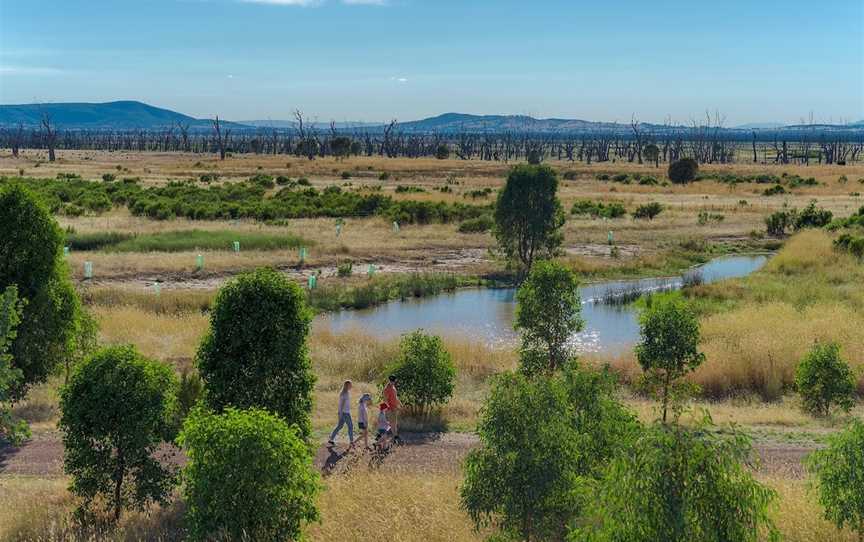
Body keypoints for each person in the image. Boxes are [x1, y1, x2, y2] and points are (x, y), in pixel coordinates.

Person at [327, 380, 354, 449]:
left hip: (344, 412)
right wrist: (340, 414)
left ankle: (331, 439)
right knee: (350, 426)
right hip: (345, 413)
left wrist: (340, 413)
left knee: (340, 426)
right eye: (350, 385)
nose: (351, 386)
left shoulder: (345, 392)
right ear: (347, 385)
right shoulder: (345, 393)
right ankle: (351, 442)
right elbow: (341, 405)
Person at [383, 375, 402, 441]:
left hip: (394, 407)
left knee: (394, 423)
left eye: (393, 381)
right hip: (390, 409)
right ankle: (394, 437)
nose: (393, 382)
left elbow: (395, 397)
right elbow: (385, 400)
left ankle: (395, 436)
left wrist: (400, 403)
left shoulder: (393, 387)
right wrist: (389, 408)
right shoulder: (387, 388)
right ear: (389, 381)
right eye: (392, 381)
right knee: (391, 423)